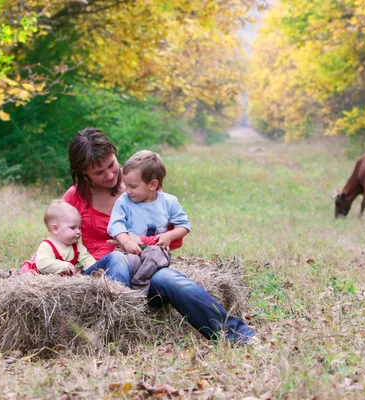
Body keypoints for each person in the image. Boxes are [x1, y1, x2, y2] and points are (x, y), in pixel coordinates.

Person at [63, 127, 257, 345]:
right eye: (98, 173)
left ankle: (238, 335)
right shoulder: (75, 197)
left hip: (142, 270)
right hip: (101, 273)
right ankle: (120, 331)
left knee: (170, 279)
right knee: (118, 258)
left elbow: (173, 238)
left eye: (111, 165)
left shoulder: (142, 186)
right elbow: (60, 238)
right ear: (83, 171)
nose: (109, 175)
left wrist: (136, 240)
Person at [108, 150, 190, 295]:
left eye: (132, 186)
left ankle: (139, 287)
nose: (127, 191)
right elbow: (116, 224)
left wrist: (169, 236)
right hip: (131, 250)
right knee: (128, 261)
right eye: (126, 185)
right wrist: (126, 241)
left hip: (155, 251)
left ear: (152, 185)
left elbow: (184, 226)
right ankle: (124, 296)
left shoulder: (169, 202)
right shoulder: (124, 201)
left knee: (157, 255)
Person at [26, 199, 134, 278]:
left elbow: (86, 259)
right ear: (55, 229)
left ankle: (117, 290)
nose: (78, 231)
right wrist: (65, 266)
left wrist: (96, 270)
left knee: (111, 260)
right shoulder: (47, 246)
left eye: (79, 227)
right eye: (73, 228)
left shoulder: (76, 246)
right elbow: (42, 263)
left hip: (73, 282)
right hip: (53, 284)